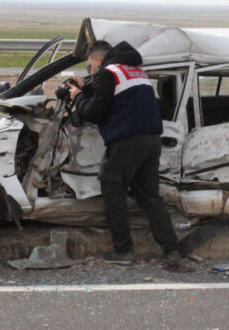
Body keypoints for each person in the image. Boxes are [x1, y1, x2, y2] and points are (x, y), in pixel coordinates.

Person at [69, 40, 180, 264]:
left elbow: (96, 112)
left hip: (127, 142)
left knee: (113, 192)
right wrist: (86, 89)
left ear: (99, 60)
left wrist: (77, 97)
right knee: (150, 196)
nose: (91, 70)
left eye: (91, 66)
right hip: (151, 141)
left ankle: (123, 251)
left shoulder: (108, 72)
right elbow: (118, 98)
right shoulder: (136, 71)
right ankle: (172, 249)